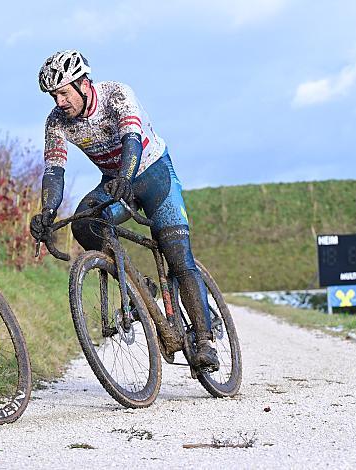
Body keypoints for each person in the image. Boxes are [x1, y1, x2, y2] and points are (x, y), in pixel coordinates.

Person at [30, 50, 219, 371]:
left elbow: (132, 138)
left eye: (63, 92)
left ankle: (204, 341)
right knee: (85, 224)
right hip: (116, 181)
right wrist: (47, 211)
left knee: (177, 256)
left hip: (153, 175)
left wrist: (126, 177)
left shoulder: (116, 94)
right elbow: (54, 170)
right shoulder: (56, 121)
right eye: (53, 95)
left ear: (83, 83)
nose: (59, 101)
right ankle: (138, 283)